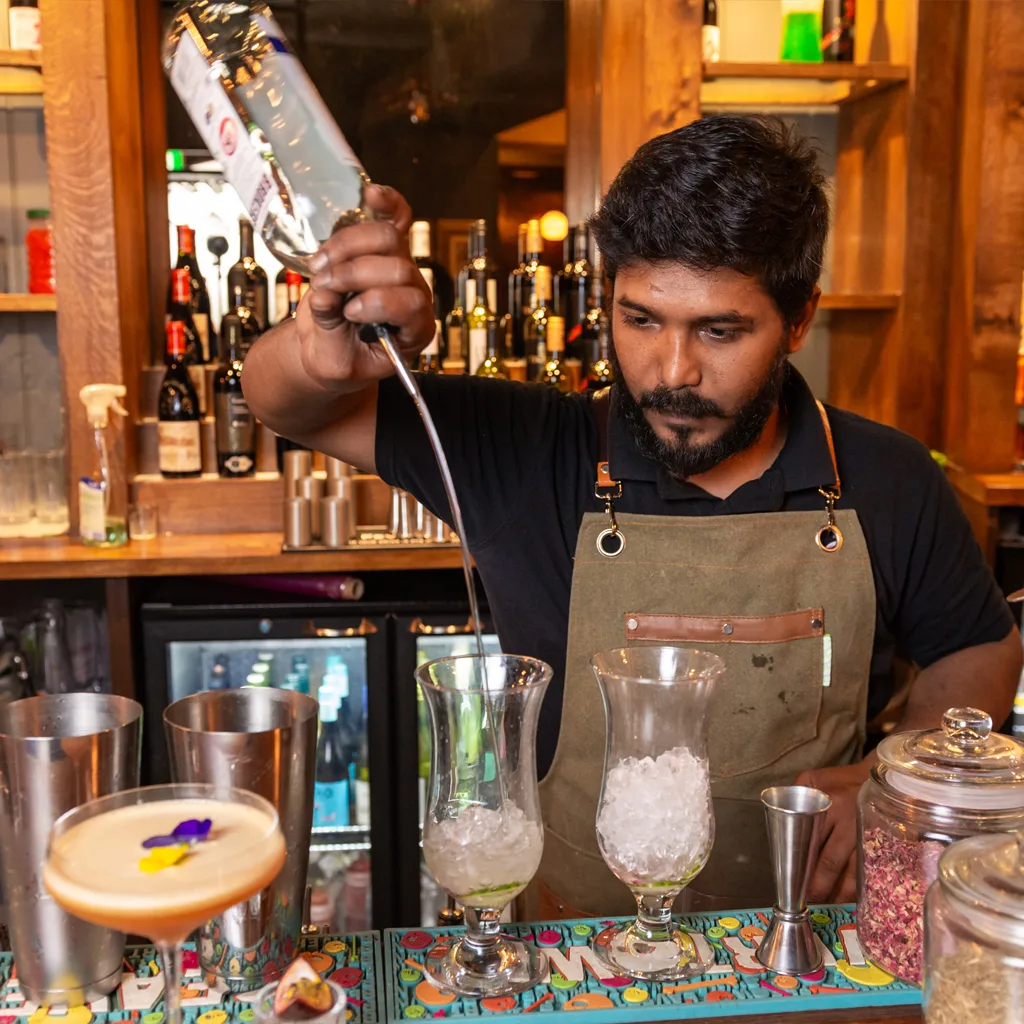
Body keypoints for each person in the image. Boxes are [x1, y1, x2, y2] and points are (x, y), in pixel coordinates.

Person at [243, 115, 1020, 915]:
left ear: (799, 319)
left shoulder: (886, 476)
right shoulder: (527, 452)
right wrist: (317, 349)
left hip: (810, 959)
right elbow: (286, 407)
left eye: (719, 331)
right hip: (578, 959)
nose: (672, 374)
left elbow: (980, 647)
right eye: (641, 319)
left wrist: (897, 779)